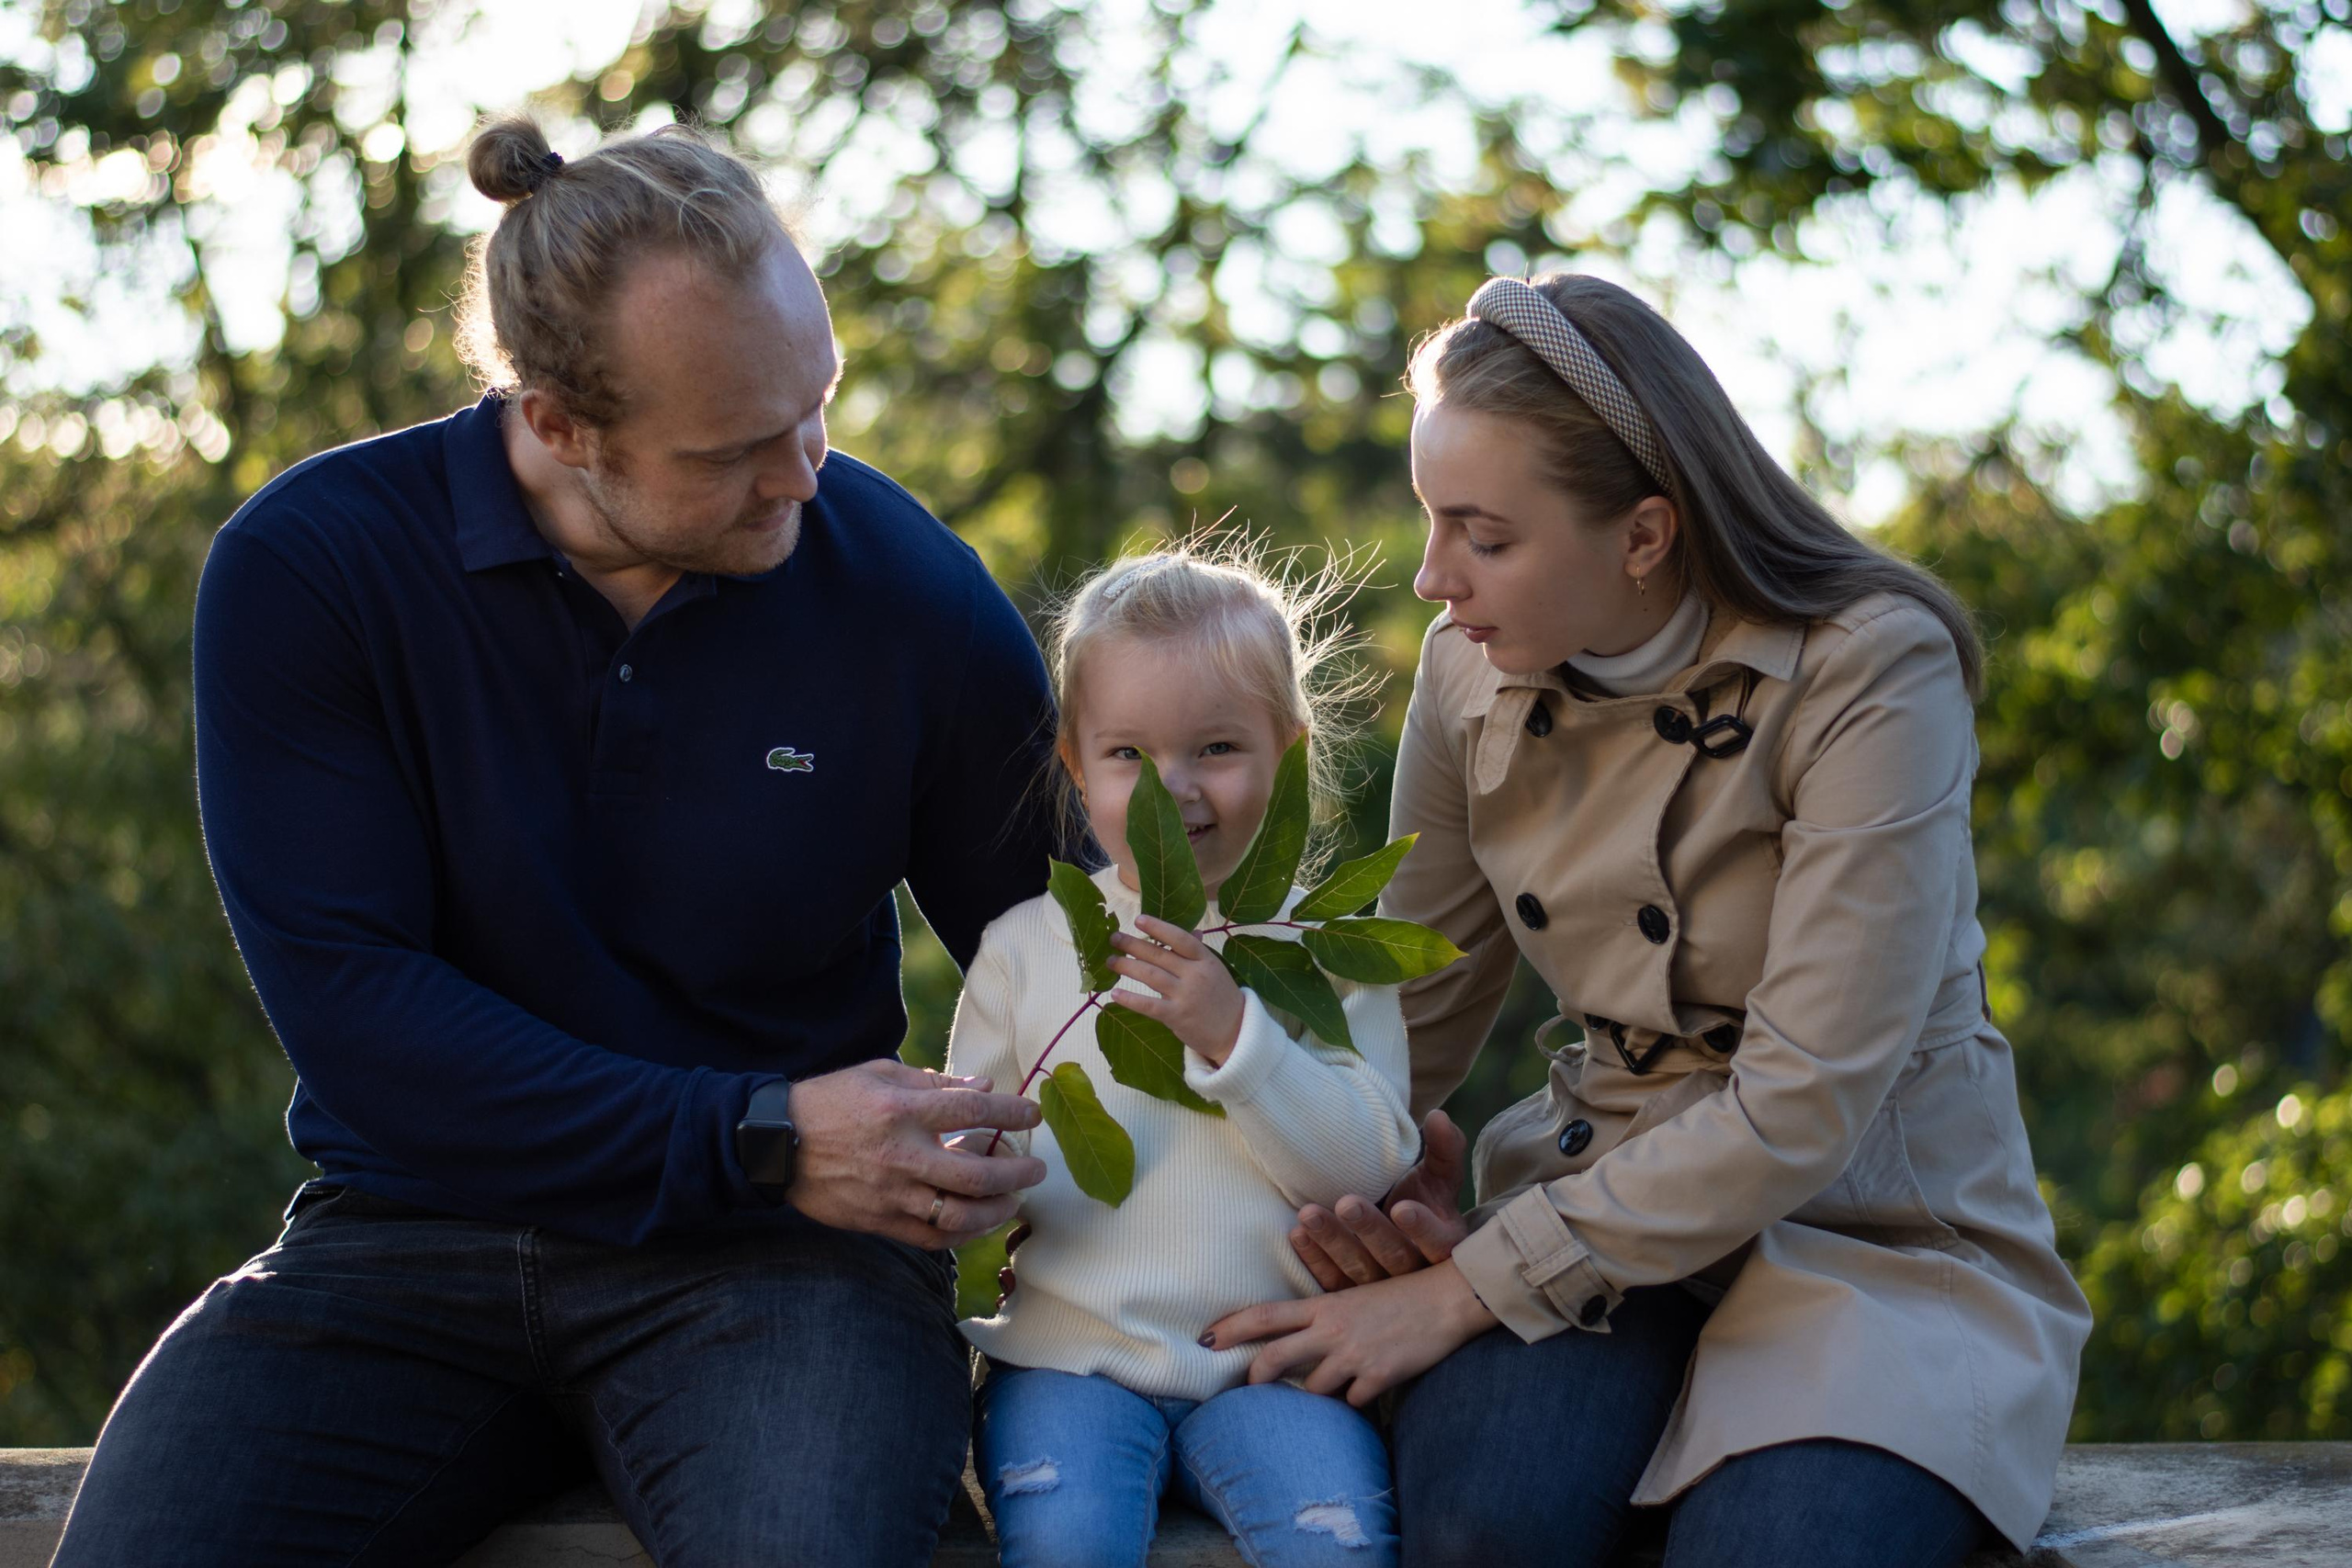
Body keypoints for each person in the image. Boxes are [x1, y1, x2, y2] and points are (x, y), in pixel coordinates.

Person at [49, 117, 1055, 1568]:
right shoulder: (314, 566)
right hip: (404, 1237)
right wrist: (756, 1135)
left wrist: (1308, 1144)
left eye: (817, 402)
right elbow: (362, 1015)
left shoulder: (907, 588)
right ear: (560, 423)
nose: (804, 475)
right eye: (734, 449)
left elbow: (1086, 947)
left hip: (790, 1267)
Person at [1202, 274, 2094, 1568]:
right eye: (1431, 518)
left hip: (1871, 1234)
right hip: (1590, 1192)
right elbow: (1406, 1015)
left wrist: (1467, 1287)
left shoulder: (1872, 666)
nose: (1434, 577)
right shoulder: (1467, 672)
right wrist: (1241, 1210)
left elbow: (1802, 1102)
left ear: (1643, 534)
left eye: (1482, 536)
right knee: (1479, 1532)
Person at [947, 546, 1420, 1568]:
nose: (1174, 790)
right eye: (1128, 753)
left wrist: (1234, 1036)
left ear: (1288, 753)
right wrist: (966, 1167)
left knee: (1336, 1546)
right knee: (1066, 1543)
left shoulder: (1325, 953)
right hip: (1067, 1362)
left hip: (1274, 1368)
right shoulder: (1027, 948)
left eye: (1217, 747)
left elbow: (1366, 1169)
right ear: (1076, 766)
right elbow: (976, 1154)